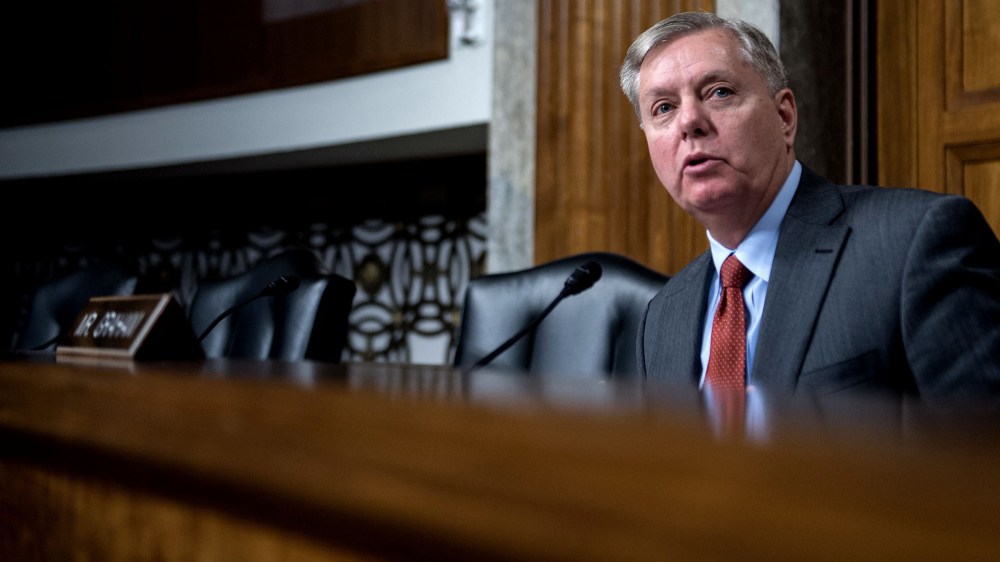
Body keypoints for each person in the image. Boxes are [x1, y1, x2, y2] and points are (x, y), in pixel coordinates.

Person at [620, 11, 1000, 399]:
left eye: (719, 92)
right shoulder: (662, 317)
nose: (689, 122)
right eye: (663, 108)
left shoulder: (913, 245)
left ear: (784, 117)